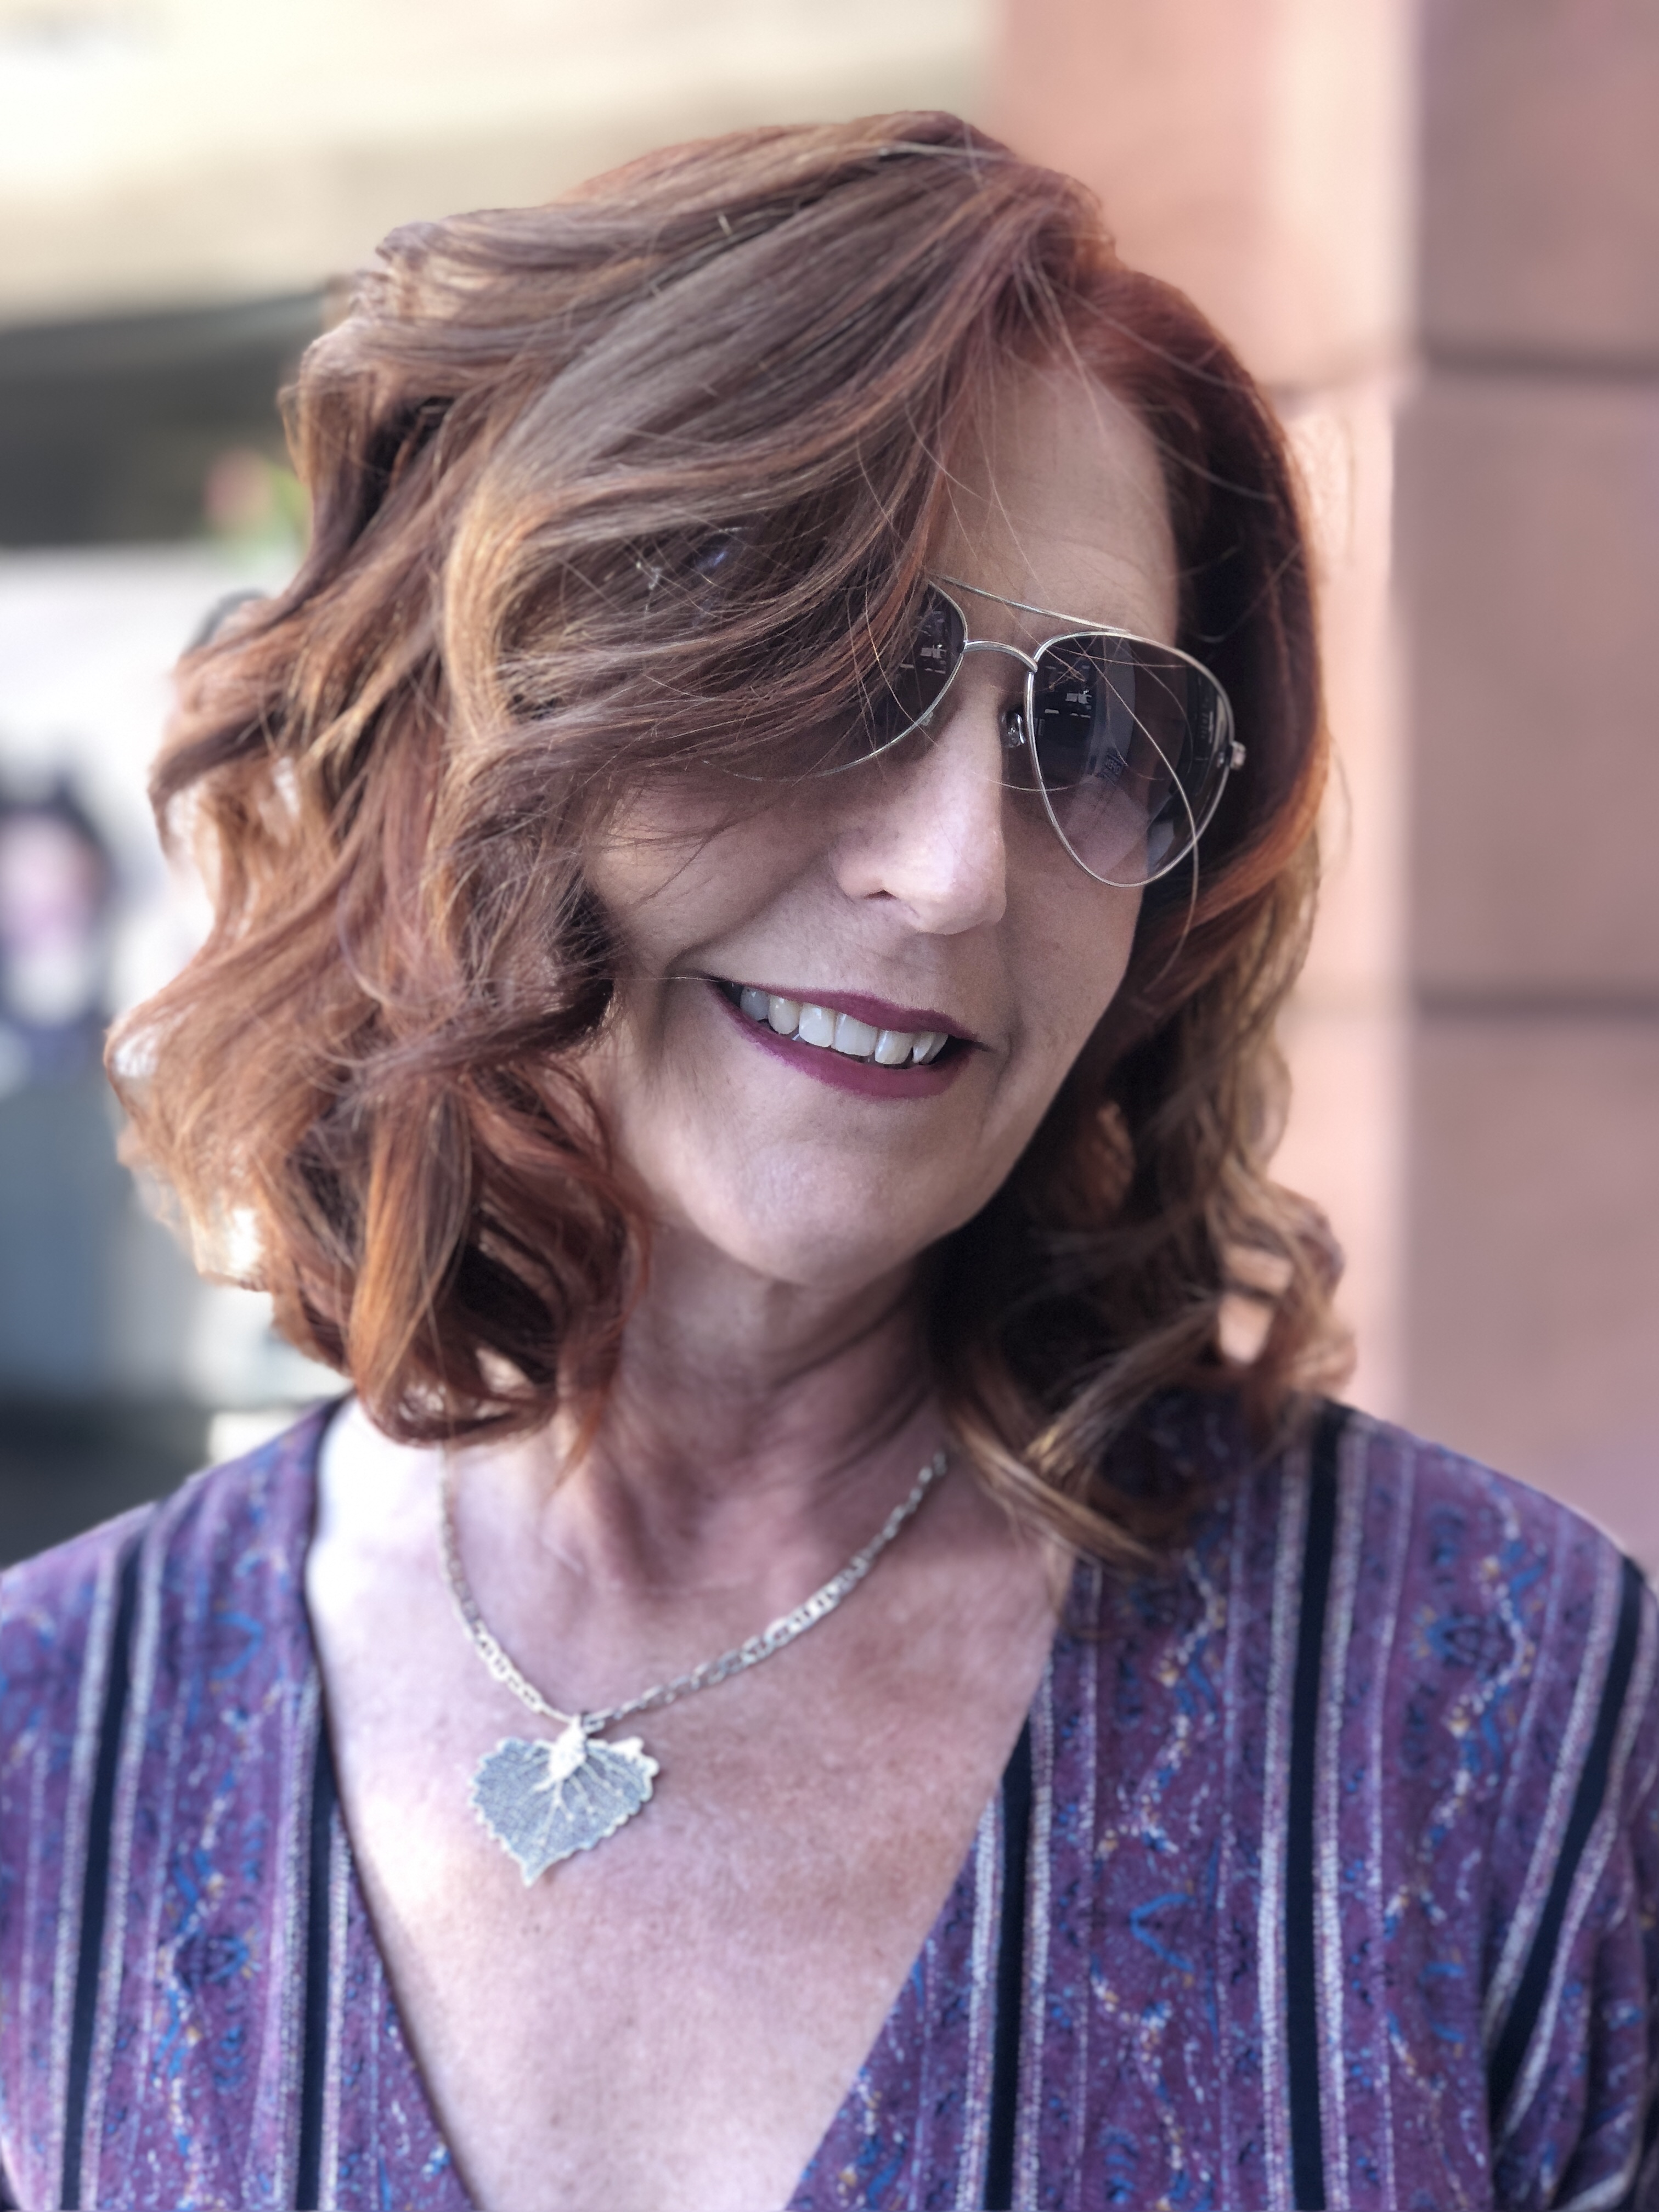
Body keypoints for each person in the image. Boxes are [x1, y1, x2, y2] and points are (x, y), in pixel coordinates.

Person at [1, 115, 1654, 2212]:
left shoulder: (1499, 1710)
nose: (958, 871)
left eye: (1094, 733)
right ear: (468, 729)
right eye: (840, 667)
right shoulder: (55, 1745)